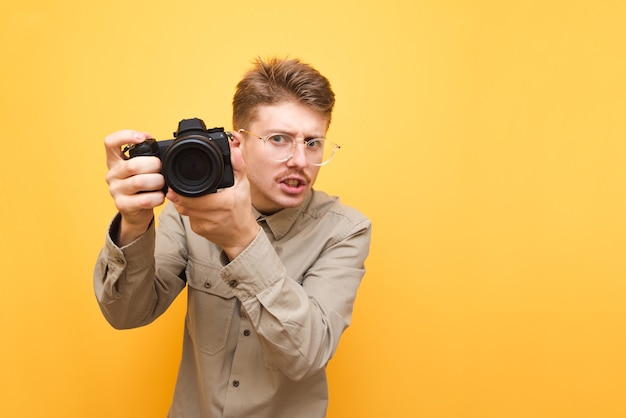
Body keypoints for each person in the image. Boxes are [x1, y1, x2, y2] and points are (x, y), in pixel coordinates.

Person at [94, 57, 372, 418]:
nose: (300, 160)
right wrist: (133, 222)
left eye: (313, 142)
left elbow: (308, 355)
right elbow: (126, 314)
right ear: (236, 144)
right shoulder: (190, 213)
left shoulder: (345, 230)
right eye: (279, 139)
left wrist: (242, 240)